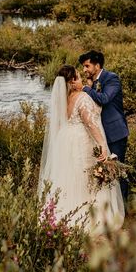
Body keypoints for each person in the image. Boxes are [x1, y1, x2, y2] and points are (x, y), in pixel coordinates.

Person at [38, 65, 124, 232]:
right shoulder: (82, 97)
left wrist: (90, 89)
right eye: (78, 75)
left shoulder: (63, 100)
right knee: (86, 177)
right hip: (82, 139)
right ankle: (91, 218)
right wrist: (101, 144)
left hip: (66, 140)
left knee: (71, 176)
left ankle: (64, 214)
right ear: (73, 80)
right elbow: (90, 123)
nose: (81, 76)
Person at [79, 50, 129, 202]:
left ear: (97, 65)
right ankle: (111, 206)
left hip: (115, 132)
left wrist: (85, 89)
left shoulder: (111, 78)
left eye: (87, 66)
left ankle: (124, 207)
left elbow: (105, 98)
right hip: (100, 134)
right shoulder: (92, 83)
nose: (84, 70)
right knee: (105, 170)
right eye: (83, 67)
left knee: (118, 170)